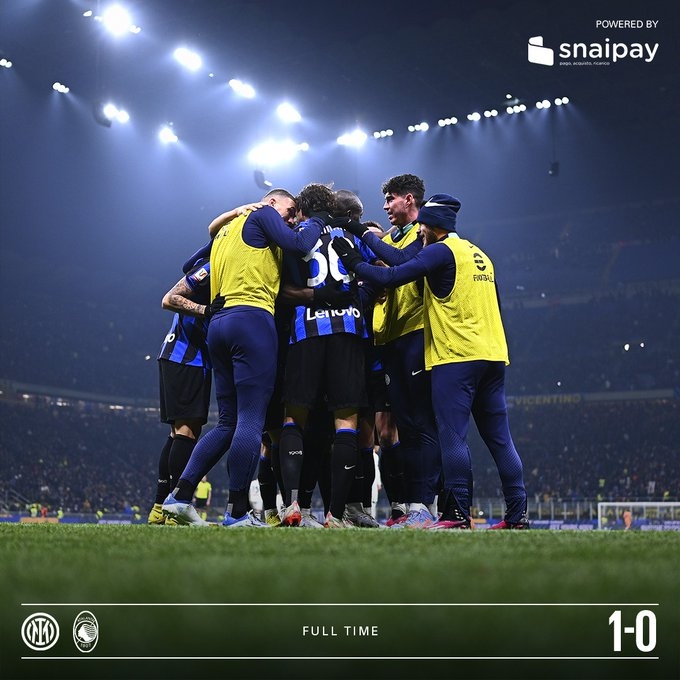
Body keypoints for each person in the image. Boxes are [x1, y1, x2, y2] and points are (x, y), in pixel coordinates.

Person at [332, 193, 529, 530]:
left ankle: (456, 513)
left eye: (422, 227)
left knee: (452, 436)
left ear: (432, 226)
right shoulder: (480, 255)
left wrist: (353, 262)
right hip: (494, 355)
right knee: (500, 439)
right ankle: (518, 514)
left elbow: (391, 277)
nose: (419, 232)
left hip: (457, 356)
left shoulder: (439, 250)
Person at [162, 188, 325, 527]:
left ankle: (179, 496)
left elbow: (191, 265)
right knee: (252, 418)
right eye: (290, 211)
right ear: (271, 202)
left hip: (219, 325)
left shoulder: (227, 230)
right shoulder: (264, 215)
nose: (291, 219)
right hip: (252, 319)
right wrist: (319, 220)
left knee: (227, 423)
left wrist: (228, 215)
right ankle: (236, 512)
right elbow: (299, 244)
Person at [343, 174, 441, 529]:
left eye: (390, 199)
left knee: (421, 425)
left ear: (409, 199)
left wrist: (362, 236)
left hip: (416, 334)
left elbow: (398, 263)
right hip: (388, 340)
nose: (385, 206)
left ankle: (430, 503)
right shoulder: (391, 238)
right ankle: (410, 506)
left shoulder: (424, 233)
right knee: (401, 430)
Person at [277, 183, 375, 528]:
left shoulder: (293, 236)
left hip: (306, 331)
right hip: (348, 330)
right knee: (346, 423)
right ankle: (336, 514)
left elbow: (279, 290)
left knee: (294, 419)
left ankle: (292, 505)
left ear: (302, 210)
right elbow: (376, 270)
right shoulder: (350, 235)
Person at [147, 255, 213, 525]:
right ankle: (176, 506)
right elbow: (169, 299)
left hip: (178, 356)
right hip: (187, 358)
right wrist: (206, 310)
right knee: (186, 432)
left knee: (176, 434)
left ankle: (160, 507)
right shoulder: (212, 267)